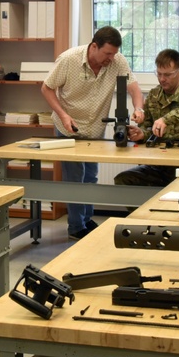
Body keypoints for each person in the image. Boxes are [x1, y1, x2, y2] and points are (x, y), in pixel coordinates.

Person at [41, 26, 144, 240]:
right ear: (94, 46)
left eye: (114, 54)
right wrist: (62, 115)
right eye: (107, 54)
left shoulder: (117, 61)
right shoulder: (69, 59)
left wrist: (139, 108)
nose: (111, 58)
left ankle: (86, 219)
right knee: (75, 178)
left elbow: (134, 87)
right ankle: (76, 227)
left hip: (95, 129)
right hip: (69, 127)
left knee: (91, 177)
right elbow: (47, 88)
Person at [113, 49, 179, 187]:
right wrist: (141, 134)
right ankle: (144, 210)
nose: (162, 79)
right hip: (160, 164)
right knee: (124, 180)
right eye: (159, 74)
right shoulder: (154, 95)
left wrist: (168, 119)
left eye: (167, 75)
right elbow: (148, 127)